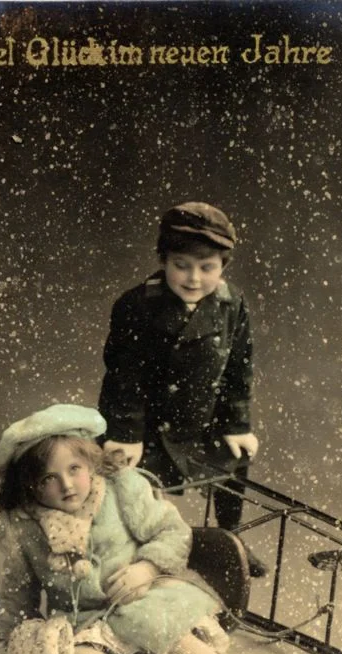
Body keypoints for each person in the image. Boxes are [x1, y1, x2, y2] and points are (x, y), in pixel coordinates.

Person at [0, 403, 277, 654]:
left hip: (143, 599)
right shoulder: (24, 526)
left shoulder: (120, 489)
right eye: (48, 479)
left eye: (74, 469)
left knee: (165, 631)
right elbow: (19, 586)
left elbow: (173, 532)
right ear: (29, 486)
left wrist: (146, 568)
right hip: (84, 621)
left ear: (91, 461)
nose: (67, 485)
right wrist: (9, 634)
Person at [98, 201, 268, 576]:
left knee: (233, 461)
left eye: (207, 268)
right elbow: (123, 377)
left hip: (202, 421)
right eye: (181, 265)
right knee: (135, 492)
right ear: (164, 260)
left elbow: (238, 371)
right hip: (150, 427)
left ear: (223, 267)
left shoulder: (231, 304)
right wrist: (126, 434)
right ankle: (144, 556)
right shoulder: (137, 305)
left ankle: (231, 541)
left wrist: (236, 425)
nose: (193, 278)